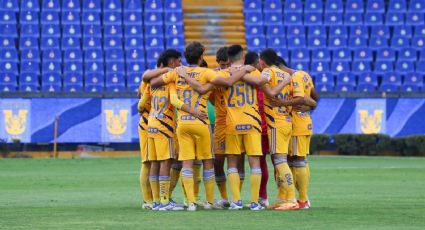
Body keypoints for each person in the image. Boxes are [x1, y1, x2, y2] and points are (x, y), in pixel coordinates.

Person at [149, 42, 251, 211]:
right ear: (201, 57)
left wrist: (169, 71)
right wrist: (243, 70)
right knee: (208, 162)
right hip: (201, 122)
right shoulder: (207, 72)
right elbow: (229, 81)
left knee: (187, 163)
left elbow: (153, 82)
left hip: (183, 123)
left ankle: (190, 202)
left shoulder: (177, 72)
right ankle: (209, 201)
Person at [273, 56, 318, 209]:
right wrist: (311, 105)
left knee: (298, 160)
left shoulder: (295, 77)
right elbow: (314, 97)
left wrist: (283, 103)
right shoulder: (304, 74)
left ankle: (303, 200)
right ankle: (297, 198)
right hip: (303, 122)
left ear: (280, 67)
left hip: (298, 123)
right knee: (295, 161)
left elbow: (301, 98)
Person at [244, 51, 270, 207]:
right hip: (263, 124)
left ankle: (236, 200)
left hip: (247, 123)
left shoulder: (244, 76)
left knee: (237, 161)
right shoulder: (261, 77)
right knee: (261, 162)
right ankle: (262, 197)